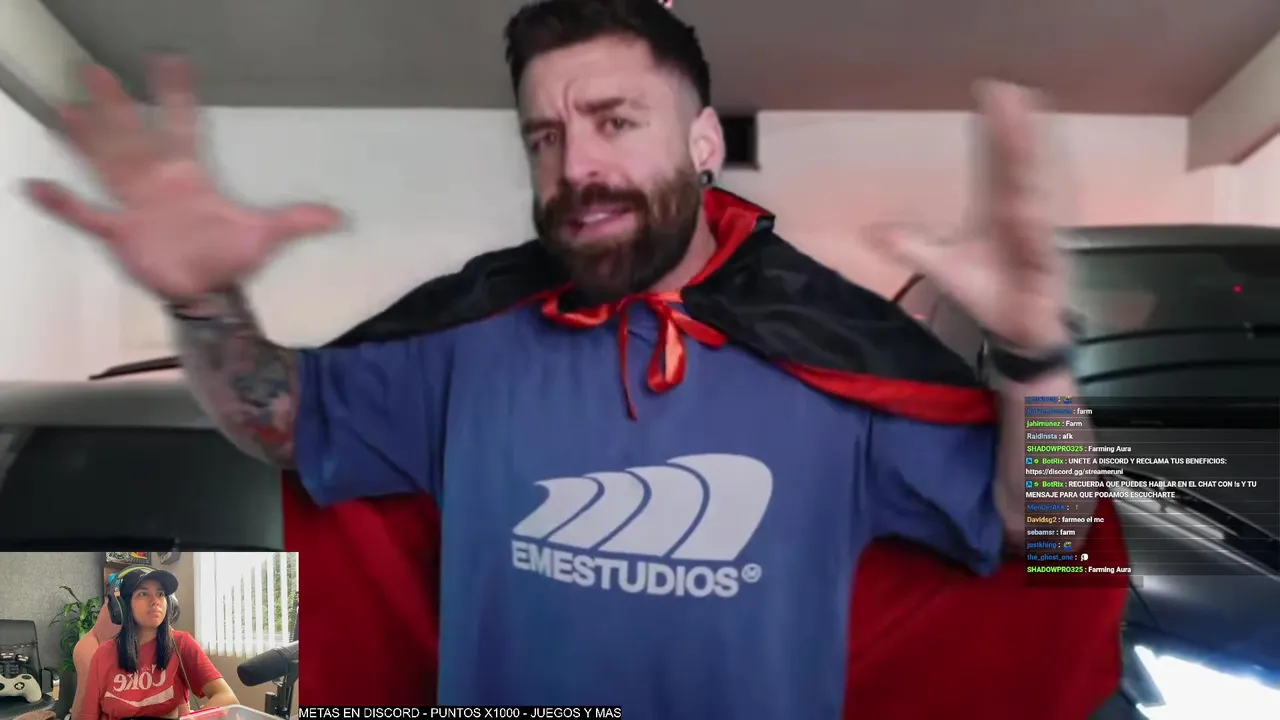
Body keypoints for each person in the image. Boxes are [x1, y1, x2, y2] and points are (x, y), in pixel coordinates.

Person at [24, 0, 1128, 717]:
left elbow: (1050, 532)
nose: (577, 166)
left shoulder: (834, 356)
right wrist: (201, 298)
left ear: (703, 141)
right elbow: (277, 421)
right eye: (545, 137)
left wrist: (1036, 354)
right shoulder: (463, 345)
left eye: (614, 122)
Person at [74, 570, 236, 720]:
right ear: (122, 605)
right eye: (143, 594)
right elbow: (88, 716)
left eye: (160, 594)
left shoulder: (181, 644)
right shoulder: (103, 654)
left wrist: (193, 718)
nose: (155, 601)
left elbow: (227, 697)